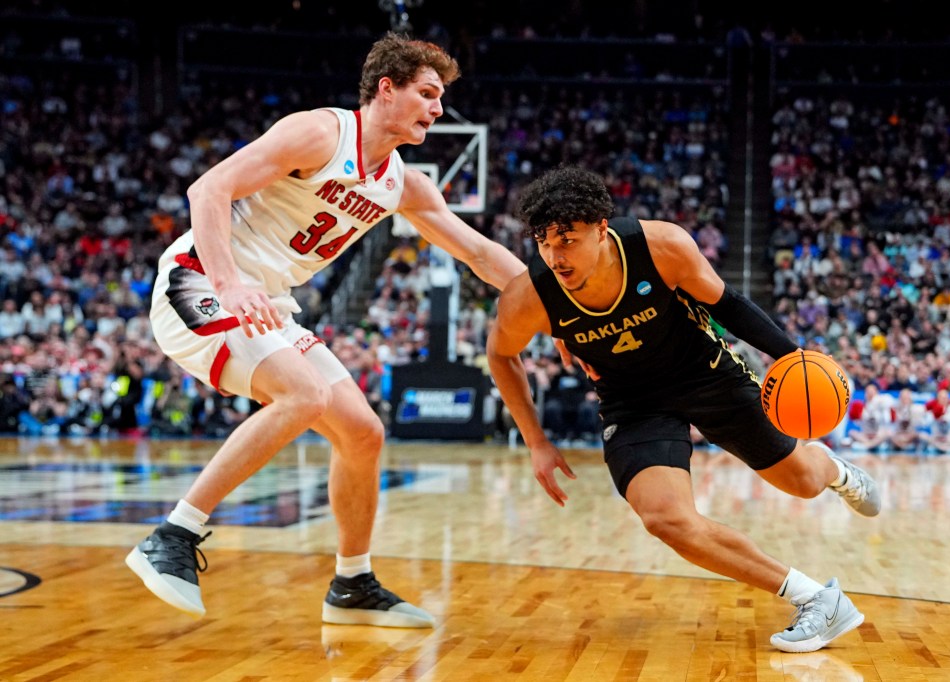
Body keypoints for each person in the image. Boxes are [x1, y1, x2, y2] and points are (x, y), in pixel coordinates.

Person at [126, 32, 526, 626]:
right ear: (385, 90)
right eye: (427, 93)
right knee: (305, 395)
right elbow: (207, 188)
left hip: (269, 304)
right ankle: (172, 535)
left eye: (440, 97)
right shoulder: (318, 132)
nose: (438, 109)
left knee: (362, 433)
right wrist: (230, 281)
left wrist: (563, 309)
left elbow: (481, 255)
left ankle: (353, 584)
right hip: (203, 279)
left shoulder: (403, 184)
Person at [486, 166, 881, 654]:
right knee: (664, 518)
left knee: (801, 482)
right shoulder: (532, 295)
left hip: (705, 372)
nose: (554, 255)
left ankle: (835, 470)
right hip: (631, 401)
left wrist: (793, 354)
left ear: (601, 229)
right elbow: (501, 354)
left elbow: (728, 304)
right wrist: (537, 442)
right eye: (543, 243)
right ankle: (816, 599)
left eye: (566, 239)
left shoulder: (661, 247)